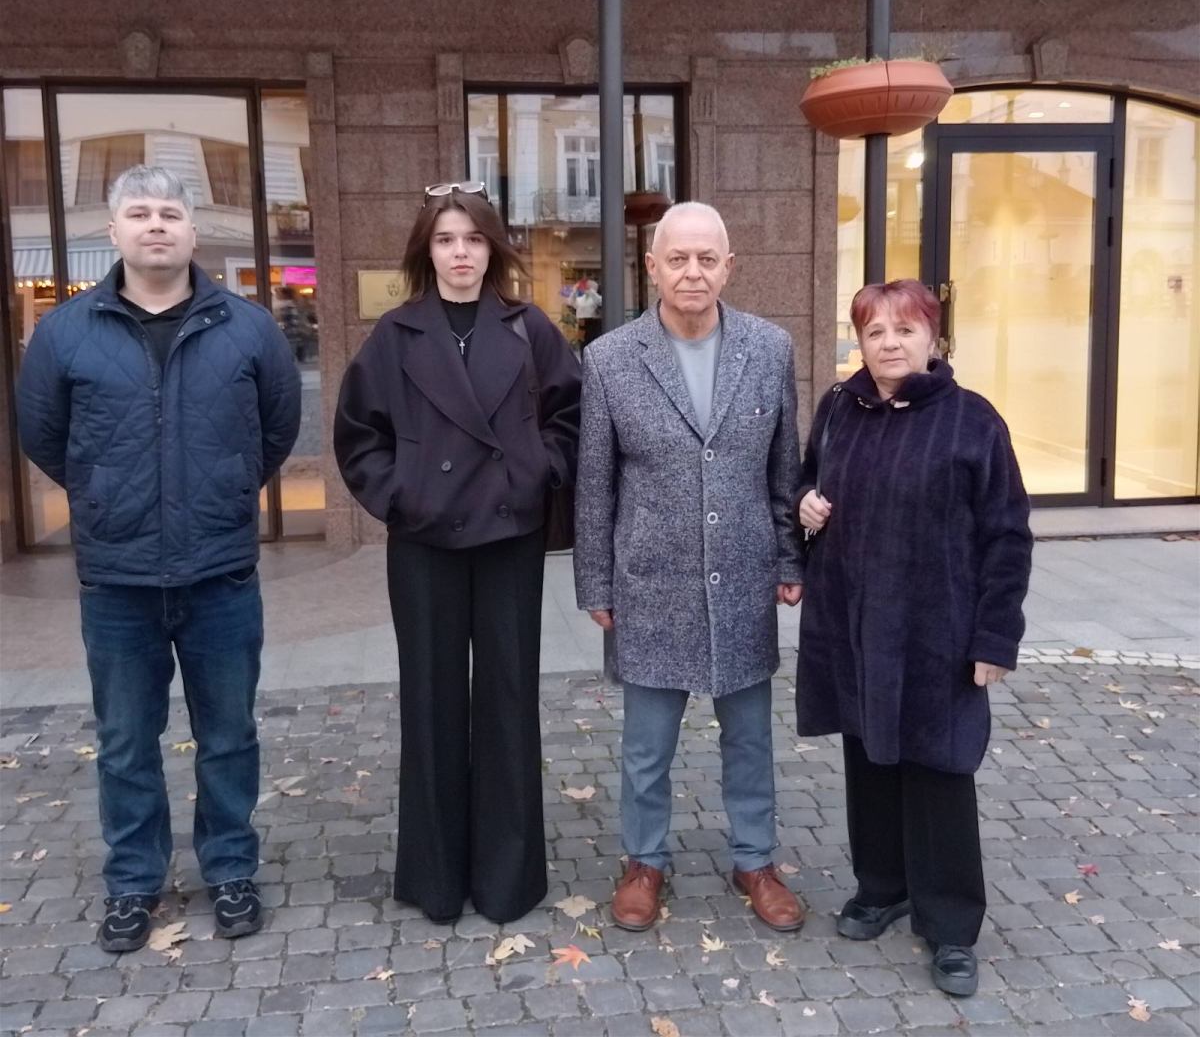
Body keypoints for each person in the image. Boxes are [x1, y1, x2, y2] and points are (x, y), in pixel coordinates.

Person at [16, 164, 301, 953]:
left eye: (169, 213)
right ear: (113, 231)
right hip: (118, 578)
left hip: (220, 573)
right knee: (124, 743)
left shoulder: (247, 328)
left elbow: (277, 427)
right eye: (138, 213)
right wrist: (104, 492)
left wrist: (227, 487)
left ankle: (231, 870)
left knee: (229, 735)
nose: (155, 226)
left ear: (192, 231)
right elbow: (43, 433)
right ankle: (134, 883)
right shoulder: (66, 332)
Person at [334, 181, 580, 925]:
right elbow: (359, 434)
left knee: (509, 701)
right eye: (446, 240)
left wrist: (535, 473)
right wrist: (404, 495)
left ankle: (508, 879)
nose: (461, 253)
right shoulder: (395, 335)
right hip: (424, 542)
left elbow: (572, 415)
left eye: (473, 239)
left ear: (492, 249)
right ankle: (436, 879)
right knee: (431, 701)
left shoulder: (529, 328)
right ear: (427, 251)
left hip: (509, 539)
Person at [795, 278, 1032, 997]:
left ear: (933, 338)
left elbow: (1007, 535)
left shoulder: (972, 421)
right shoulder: (840, 409)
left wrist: (995, 637)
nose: (889, 344)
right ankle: (883, 886)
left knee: (939, 768)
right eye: (875, 331)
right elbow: (809, 484)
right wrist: (804, 506)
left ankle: (951, 924)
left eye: (904, 329)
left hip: (939, 632)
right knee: (868, 756)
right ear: (859, 341)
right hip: (856, 622)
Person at [574, 201, 806, 933]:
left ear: (729, 267)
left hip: (743, 577)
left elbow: (784, 469)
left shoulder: (769, 349)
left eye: (707, 259)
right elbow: (594, 484)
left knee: (750, 739)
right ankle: (644, 861)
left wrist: (790, 556)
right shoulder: (609, 359)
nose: (693, 272)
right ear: (653, 268)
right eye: (678, 258)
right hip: (650, 584)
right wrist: (596, 581)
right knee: (647, 747)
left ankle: (755, 859)